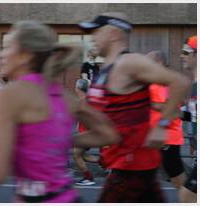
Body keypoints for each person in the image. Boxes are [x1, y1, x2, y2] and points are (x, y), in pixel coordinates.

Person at [0, 20, 119, 203]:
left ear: (25, 56)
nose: (0, 55)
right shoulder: (65, 96)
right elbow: (109, 134)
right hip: (67, 197)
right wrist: (52, 141)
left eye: (7, 48)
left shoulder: (12, 94)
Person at [79, 12, 191, 202]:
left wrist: (161, 125)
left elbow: (180, 82)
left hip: (132, 170)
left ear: (114, 33)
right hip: (123, 167)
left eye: (97, 32)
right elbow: (109, 133)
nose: (93, 38)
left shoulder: (129, 62)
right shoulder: (105, 71)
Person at [146, 50, 186, 189]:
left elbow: (168, 106)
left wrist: (145, 101)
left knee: (176, 176)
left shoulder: (162, 81)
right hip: (160, 136)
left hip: (166, 137)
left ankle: (191, 199)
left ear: (158, 62)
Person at [179, 35, 197, 203]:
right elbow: (192, 115)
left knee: (187, 196)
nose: (182, 56)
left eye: (186, 52)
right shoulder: (194, 84)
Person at [73, 79, 96, 186]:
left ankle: (89, 178)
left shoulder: (84, 101)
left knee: (76, 155)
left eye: (75, 86)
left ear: (78, 88)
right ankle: (108, 162)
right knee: (84, 156)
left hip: (85, 135)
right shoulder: (83, 100)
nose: (74, 88)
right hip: (85, 134)